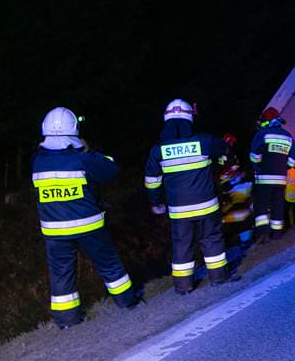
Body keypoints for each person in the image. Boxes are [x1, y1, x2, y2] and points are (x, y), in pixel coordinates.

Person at [32, 107, 138, 328]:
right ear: (74, 131)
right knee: (110, 266)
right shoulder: (82, 159)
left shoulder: (37, 161)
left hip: (54, 231)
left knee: (61, 275)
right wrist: (90, 151)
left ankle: (67, 322)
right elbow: (110, 171)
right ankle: (128, 304)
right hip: (88, 225)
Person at [144, 99, 236, 293]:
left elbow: (152, 181)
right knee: (211, 239)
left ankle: (183, 287)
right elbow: (224, 151)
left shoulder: (158, 150)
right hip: (207, 206)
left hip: (178, 211)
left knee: (182, 245)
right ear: (189, 118)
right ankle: (219, 278)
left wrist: (156, 203)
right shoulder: (204, 141)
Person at [249, 107, 295, 243]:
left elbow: (254, 155)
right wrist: (284, 167)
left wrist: (258, 166)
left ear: (267, 121)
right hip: (281, 180)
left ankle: (262, 235)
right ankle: (277, 235)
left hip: (263, 179)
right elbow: (294, 158)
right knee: (278, 206)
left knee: (261, 207)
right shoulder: (288, 136)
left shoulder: (262, 134)